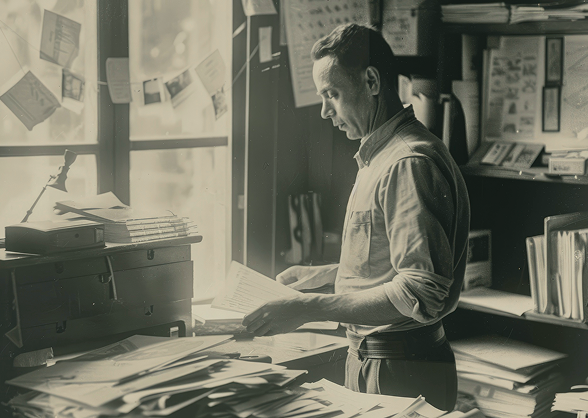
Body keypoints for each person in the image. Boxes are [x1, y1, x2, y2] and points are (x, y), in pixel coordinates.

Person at [243, 23, 470, 411]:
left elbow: (419, 291)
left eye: (332, 94)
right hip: (379, 360)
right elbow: (394, 261)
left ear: (371, 81)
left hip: (400, 367)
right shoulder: (380, 156)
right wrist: (332, 274)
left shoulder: (407, 163)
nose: (324, 111)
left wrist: (305, 307)